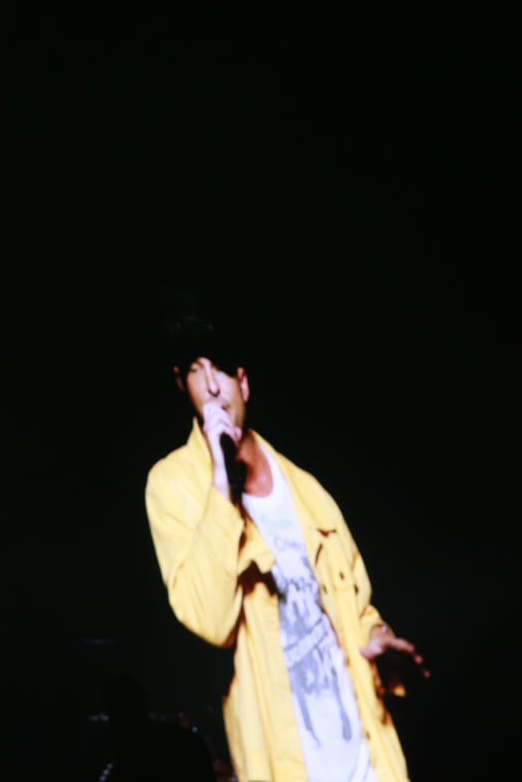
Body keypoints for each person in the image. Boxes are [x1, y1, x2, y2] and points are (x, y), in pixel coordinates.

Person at [143, 310, 428, 782]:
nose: (212, 387)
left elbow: (356, 609)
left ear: (243, 383)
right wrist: (220, 484)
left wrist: (377, 637)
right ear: (183, 386)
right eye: (196, 370)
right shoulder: (172, 485)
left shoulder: (306, 488)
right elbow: (210, 620)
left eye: (221, 370)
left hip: (370, 764)